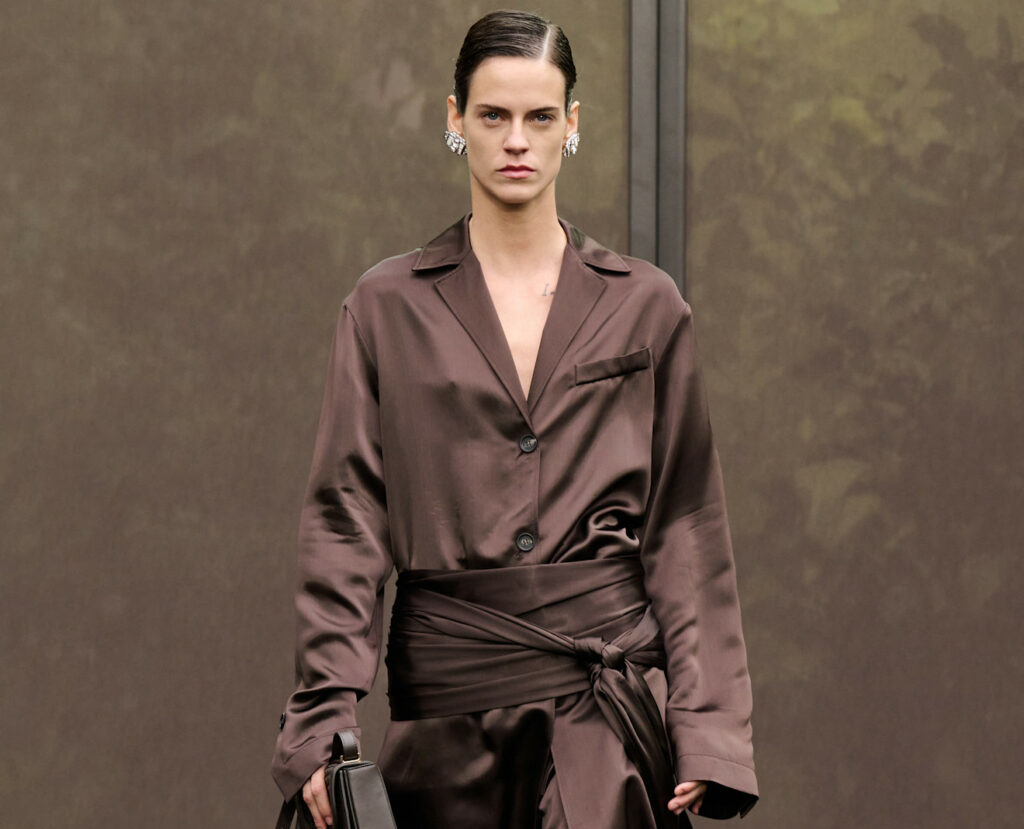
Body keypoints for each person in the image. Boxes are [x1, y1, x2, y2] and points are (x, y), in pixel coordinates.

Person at [271, 10, 757, 829]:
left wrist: (708, 727)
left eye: (540, 116)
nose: (517, 141)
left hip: (603, 731)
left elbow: (686, 523)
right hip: (443, 723)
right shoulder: (384, 308)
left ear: (572, 123)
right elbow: (346, 518)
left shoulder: (647, 307)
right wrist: (322, 714)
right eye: (494, 115)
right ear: (455, 117)